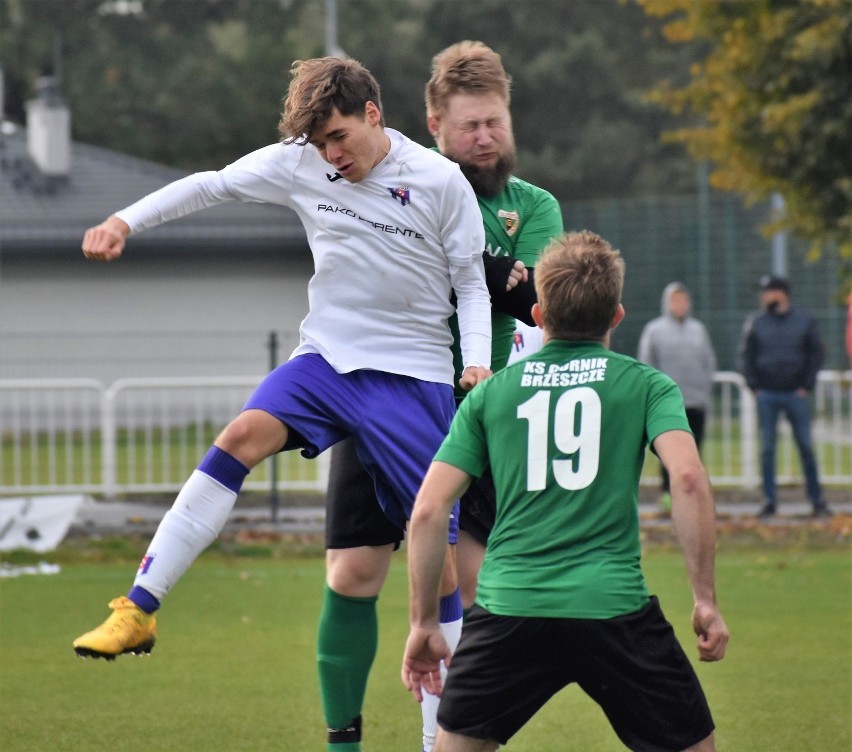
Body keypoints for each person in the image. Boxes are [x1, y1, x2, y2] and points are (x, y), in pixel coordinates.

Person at [71, 56, 493, 752]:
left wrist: (473, 361)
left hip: (412, 378)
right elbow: (211, 186)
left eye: (338, 137)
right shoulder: (302, 161)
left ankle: (437, 742)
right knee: (239, 436)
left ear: (373, 115)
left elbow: (471, 286)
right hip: (325, 360)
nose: (331, 155)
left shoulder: (439, 181)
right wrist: (124, 220)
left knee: (440, 568)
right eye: (319, 142)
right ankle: (139, 607)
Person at [322, 41, 563, 752]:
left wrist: (460, 260)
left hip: (477, 415)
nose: (484, 137)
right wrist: (480, 268)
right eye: (468, 126)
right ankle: (344, 743)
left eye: (494, 122)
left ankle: (448, 742)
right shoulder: (388, 182)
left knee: (469, 582)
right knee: (353, 572)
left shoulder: (534, 205)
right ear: (434, 125)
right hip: (379, 389)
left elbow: (536, 302)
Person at [402, 230, 730, 752]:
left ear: (537, 315)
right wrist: (705, 600)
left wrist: (423, 621)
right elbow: (687, 479)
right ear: (617, 316)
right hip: (612, 607)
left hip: (511, 605)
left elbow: (428, 512)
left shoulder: (489, 395)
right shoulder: (647, 386)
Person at [739, 275, 832, 518]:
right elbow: (747, 356)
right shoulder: (756, 322)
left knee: (805, 447)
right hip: (767, 394)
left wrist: (806, 385)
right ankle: (769, 501)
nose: (765, 297)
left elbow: (816, 354)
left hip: (795, 394)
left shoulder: (804, 321)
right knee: (767, 449)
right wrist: (755, 386)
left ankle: (817, 500)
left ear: (782, 293)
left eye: (768, 291)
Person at [638, 282, 717, 511]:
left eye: (684, 300)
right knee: (668, 453)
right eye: (675, 300)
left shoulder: (698, 330)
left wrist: (704, 389)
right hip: (668, 405)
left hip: (695, 401)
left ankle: (693, 497)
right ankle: (668, 495)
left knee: (694, 452)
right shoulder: (655, 330)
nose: (680, 305)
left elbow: (708, 361)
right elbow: (647, 363)